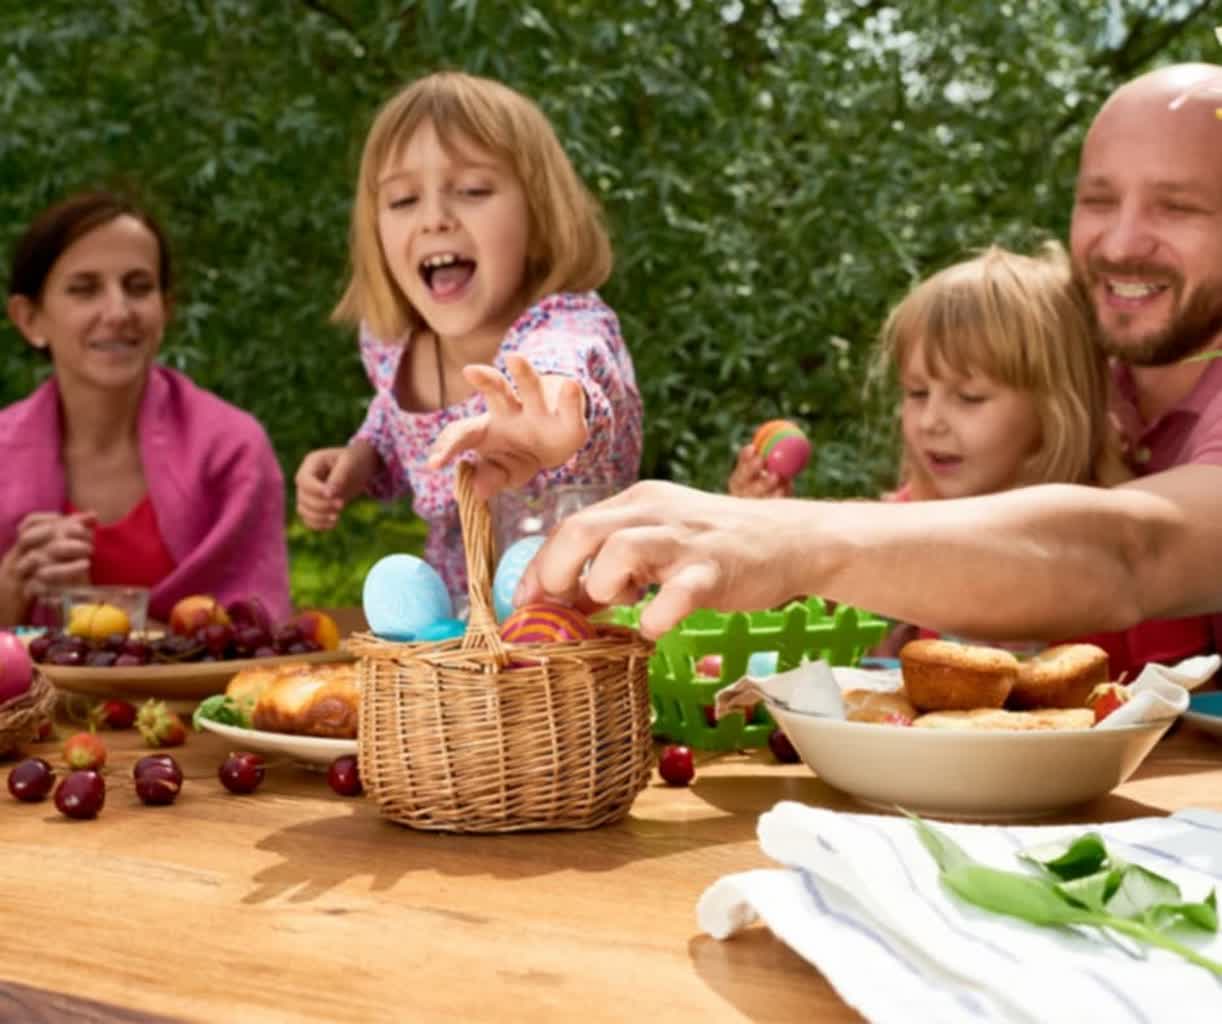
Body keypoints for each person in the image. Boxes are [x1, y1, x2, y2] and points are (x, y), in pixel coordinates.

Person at [516, 63, 1222, 662]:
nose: (1122, 240)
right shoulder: (1087, 351)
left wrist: (781, 539)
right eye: (1097, 200)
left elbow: (1133, 553)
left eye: (1179, 207)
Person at [294, 71, 642, 603]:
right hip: (465, 638)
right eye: (403, 200)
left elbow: (569, 371)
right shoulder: (390, 346)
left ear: (539, 215)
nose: (434, 219)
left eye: (473, 190)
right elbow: (392, 417)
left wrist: (550, 412)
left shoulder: (565, 324)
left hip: (579, 631)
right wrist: (363, 457)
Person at [0, 190, 292, 627]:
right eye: (84, 289)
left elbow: (259, 639)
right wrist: (10, 589)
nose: (117, 311)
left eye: (139, 287)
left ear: (165, 309)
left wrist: (96, 615)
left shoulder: (233, 450)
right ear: (30, 319)